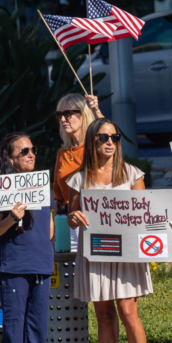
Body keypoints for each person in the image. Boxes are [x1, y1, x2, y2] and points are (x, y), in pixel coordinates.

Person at [67, 118, 172, 343]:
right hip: (96, 251)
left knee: (129, 312)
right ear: (92, 140)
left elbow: (145, 212)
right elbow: (70, 217)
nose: (109, 143)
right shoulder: (78, 178)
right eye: (104, 138)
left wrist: (166, 224)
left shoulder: (131, 173)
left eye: (115, 138)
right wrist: (74, 216)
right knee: (104, 315)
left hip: (127, 251)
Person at [0, 133, 54, 343]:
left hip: (41, 263)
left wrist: (44, 249)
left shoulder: (42, 186)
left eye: (32, 149)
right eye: (24, 151)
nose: (31, 154)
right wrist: (12, 218)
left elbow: (48, 224)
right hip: (14, 264)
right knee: (15, 327)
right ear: (10, 158)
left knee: (38, 326)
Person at [53, 93, 103, 252]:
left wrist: (96, 111)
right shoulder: (62, 153)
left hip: (99, 221)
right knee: (70, 274)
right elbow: (58, 197)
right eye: (59, 115)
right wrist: (56, 231)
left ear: (84, 114)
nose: (62, 119)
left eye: (68, 114)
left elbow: (110, 136)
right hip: (70, 225)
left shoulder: (97, 147)